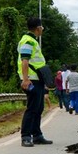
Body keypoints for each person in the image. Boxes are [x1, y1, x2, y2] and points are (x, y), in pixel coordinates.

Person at [17, 17, 52, 147]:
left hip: (37, 80)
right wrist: (26, 79)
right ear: (38, 28)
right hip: (31, 80)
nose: (42, 29)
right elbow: (24, 61)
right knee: (32, 109)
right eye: (41, 27)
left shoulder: (32, 41)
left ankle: (37, 135)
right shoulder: (28, 41)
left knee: (38, 108)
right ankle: (26, 136)